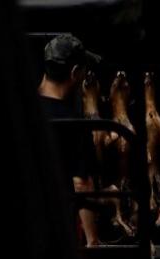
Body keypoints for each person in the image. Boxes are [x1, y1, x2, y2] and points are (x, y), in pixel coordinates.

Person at [38, 33, 102, 246]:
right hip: (59, 231)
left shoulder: (23, 112)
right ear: (75, 73)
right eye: (85, 71)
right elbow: (81, 183)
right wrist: (93, 242)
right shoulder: (75, 124)